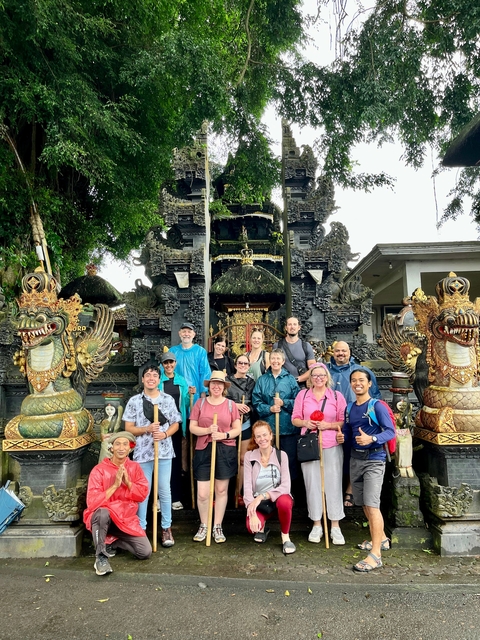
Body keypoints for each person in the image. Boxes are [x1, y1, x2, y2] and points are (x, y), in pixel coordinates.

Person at [336, 368, 395, 572]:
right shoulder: (350, 407)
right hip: (356, 459)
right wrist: (342, 437)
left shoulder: (376, 406)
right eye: (354, 380)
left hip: (374, 460)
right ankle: (382, 539)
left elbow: (390, 431)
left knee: (372, 505)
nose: (357, 383)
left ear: (370, 383)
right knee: (363, 504)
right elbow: (347, 430)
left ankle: (375, 555)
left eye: (362, 380)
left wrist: (372, 438)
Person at [123, 365, 181, 548]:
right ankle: (141, 527)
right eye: (148, 375)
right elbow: (128, 428)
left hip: (163, 451)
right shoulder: (134, 401)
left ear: (159, 379)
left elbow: (175, 424)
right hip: (142, 453)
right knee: (143, 491)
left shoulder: (167, 399)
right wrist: (146, 429)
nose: (151, 378)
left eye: (155, 376)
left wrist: (164, 434)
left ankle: (166, 527)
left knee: (164, 489)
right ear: (142, 379)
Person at [292, 363, 347, 544]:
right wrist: (306, 423)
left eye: (322, 375)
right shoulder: (303, 395)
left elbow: (342, 420)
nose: (318, 378)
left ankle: (335, 525)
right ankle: (316, 523)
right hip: (310, 444)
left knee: (333, 483)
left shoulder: (336, 396)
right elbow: (295, 419)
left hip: (331, 443)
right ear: (310, 378)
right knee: (313, 483)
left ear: (327, 377)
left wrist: (328, 426)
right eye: (314, 375)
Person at [84, 431, 152, 576]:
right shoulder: (99, 470)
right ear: (111, 448)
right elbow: (92, 502)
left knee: (144, 552)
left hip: (126, 519)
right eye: (117, 444)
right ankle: (100, 557)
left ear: (130, 448)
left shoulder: (135, 468)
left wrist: (128, 483)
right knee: (101, 513)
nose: (121, 448)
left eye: (125, 444)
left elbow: (142, 495)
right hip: (105, 516)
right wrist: (115, 485)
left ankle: (112, 542)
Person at [325, 340, 381, 507]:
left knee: (352, 456)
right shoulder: (326, 371)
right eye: (337, 351)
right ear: (332, 353)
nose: (340, 354)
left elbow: (375, 395)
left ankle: (349, 491)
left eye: (344, 351)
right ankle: (332, 492)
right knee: (333, 458)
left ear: (349, 352)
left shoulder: (362, 372)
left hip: (356, 419)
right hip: (331, 422)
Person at [189, 370, 242, 543]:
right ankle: (204, 524)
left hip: (225, 450)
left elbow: (237, 429)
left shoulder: (230, 405)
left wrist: (223, 435)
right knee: (203, 493)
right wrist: (207, 431)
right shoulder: (200, 403)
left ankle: (217, 526)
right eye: (214, 383)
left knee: (221, 490)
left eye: (220, 383)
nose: (216, 386)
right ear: (209, 386)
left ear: (224, 386)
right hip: (203, 449)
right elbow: (192, 427)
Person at [243, 420, 296, 555]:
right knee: (252, 527)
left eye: (265, 435)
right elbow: (247, 487)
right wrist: (251, 509)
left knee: (285, 501)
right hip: (259, 503)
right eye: (258, 436)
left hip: (277, 499)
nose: (262, 439)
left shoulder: (281, 455)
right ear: (255, 439)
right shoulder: (249, 456)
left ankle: (285, 536)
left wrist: (262, 496)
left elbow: (285, 487)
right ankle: (263, 527)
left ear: (271, 435)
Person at [252, 348, 300, 480]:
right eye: (273, 358)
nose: (275, 361)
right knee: (268, 461)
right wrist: (269, 409)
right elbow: (256, 401)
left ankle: (289, 494)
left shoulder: (290, 380)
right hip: (268, 429)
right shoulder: (262, 380)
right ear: (269, 360)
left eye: (278, 358)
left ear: (283, 361)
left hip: (287, 429)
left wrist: (284, 403)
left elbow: (298, 402)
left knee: (289, 462)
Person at [159, 351, 190, 510]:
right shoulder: (158, 380)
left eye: (171, 362)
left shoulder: (181, 381)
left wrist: (190, 396)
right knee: (159, 460)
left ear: (175, 363)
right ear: (162, 365)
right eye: (166, 363)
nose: (169, 365)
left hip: (176, 425)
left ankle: (175, 497)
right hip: (160, 425)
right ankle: (159, 498)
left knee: (175, 461)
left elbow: (185, 404)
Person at [226, 354, 256, 497]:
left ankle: (239, 492)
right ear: (236, 365)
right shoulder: (227, 381)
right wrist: (235, 405)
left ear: (249, 366)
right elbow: (222, 399)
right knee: (228, 457)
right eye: (240, 363)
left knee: (243, 458)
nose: (243, 365)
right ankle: (225, 492)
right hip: (228, 424)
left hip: (245, 422)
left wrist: (248, 407)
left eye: (245, 363)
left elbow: (255, 400)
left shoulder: (252, 383)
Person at [170, 322, 211, 404]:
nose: (186, 334)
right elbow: (165, 370)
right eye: (184, 331)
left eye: (189, 332)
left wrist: (203, 392)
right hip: (176, 391)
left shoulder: (200, 351)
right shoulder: (173, 351)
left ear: (194, 334)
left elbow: (205, 372)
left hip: (195, 392)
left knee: (193, 415)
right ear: (179, 333)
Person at [273, 317, 316, 388]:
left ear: (299, 327)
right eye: (289, 324)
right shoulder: (277, 346)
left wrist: (298, 379)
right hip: (283, 385)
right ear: (286, 328)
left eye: (294, 324)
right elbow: (273, 366)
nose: (292, 327)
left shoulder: (306, 346)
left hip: (302, 385)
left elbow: (313, 368)